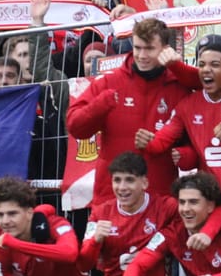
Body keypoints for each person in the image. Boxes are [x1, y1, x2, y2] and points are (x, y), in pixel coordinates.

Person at [66, 17, 201, 206]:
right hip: (111, 201)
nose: (142, 55)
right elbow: (75, 127)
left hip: (159, 200)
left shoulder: (178, 88)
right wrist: (100, 105)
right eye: (138, 48)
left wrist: (183, 155)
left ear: (164, 49)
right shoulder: (109, 83)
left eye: (149, 49)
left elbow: (193, 145)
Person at [143, 37, 221, 210]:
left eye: (215, 65)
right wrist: (148, 142)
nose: (206, 70)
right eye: (201, 64)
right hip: (209, 205)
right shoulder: (187, 106)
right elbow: (161, 141)